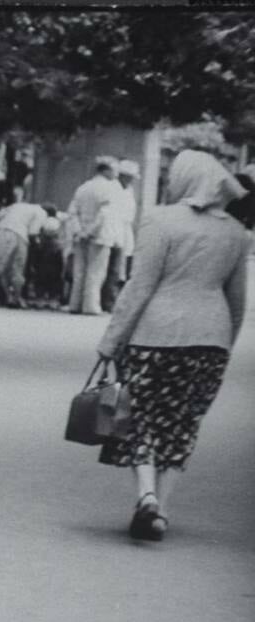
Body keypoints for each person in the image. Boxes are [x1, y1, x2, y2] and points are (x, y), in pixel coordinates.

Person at [93, 150, 248, 541]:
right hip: (210, 341)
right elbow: (237, 300)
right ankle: (162, 508)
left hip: (155, 334)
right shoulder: (235, 232)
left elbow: (139, 286)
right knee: (183, 424)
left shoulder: (160, 221)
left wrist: (111, 341)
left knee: (140, 416)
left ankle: (145, 496)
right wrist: (225, 342)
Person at [66, 158, 121, 315]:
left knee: (80, 271)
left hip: (80, 235)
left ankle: (75, 304)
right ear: (105, 170)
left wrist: (79, 231)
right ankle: (90, 306)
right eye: (114, 170)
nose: (116, 174)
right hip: (99, 235)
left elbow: (72, 212)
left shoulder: (83, 188)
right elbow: (104, 214)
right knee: (96, 272)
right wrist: (90, 231)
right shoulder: (108, 189)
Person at [0, 188, 47, 309]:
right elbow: (33, 232)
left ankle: (8, 296)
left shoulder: (18, 205)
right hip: (19, 234)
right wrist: (38, 244)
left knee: (2, 267)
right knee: (18, 267)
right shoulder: (41, 213)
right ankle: (18, 297)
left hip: (1, 231)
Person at [102, 158, 140, 312]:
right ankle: (108, 301)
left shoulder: (128, 191)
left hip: (124, 232)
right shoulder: (112, 188)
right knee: (112, 269)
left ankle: (113, 300)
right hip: (113, 231)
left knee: (120, 270)